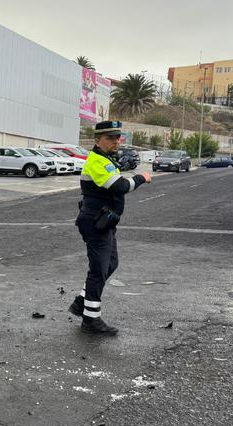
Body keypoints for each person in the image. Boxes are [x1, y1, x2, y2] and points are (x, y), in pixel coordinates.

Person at [68, 121, 152, 335]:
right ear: (97, 140)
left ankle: (81, 302)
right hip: (95, 223)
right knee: (98, 270)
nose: (116, 141)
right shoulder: (97, 161)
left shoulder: (106, 160)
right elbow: (120, 186)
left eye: (117, 137)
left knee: (110, 264)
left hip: (105, 222)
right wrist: (142, 178)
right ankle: (90, 320)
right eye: (110, 138)